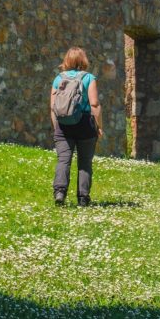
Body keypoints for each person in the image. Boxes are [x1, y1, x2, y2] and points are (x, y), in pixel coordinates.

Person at [50, 47, 103, 206]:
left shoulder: (58, 79)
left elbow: (53, 106)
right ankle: (83, 198)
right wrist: (99, 126)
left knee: (63, 160)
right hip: (85, 124)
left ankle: (60, 193)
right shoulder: (89, 78)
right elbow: (94, 104)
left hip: (63, 126)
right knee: (85, 162)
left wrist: (56, 127)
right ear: (83, 60)